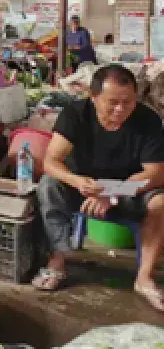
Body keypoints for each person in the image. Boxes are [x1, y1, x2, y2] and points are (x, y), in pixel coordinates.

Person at [34, 65, 164, 310]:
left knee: (160, 202)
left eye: (128, 102)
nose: (120, 109)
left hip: (129, 191)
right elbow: (51, 162)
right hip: (83, 188)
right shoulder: (75, 114)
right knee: (49, 185)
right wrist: (77, 181)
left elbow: (155, 173)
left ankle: (144, 278)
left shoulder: (148, 120)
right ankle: (58, 261)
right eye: (112, 102)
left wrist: (112, 192)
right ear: (93, 98)